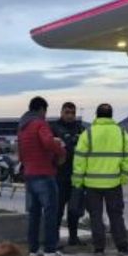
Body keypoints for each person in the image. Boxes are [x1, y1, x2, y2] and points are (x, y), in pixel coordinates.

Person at [73, 103, 128, 256]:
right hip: (114, 183)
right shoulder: (121, 133)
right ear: (111, 115)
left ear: (97, 115)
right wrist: (124, 177)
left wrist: (78, 181)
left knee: (95, 217)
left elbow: (80, 160)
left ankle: (99, 248)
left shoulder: (88, 133)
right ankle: (122, 247)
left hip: (92, 184)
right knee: (116, 215)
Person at [18, 96, 68, 256]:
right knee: (50, 213)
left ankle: (33, 250)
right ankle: (50, 249)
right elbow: (47, 142)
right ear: (41, 110)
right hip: (44, 174)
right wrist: (61, 151)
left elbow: (21, 151)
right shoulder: (40, 123)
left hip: (29, 175)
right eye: (45, 112)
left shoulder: (22, 127)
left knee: (34, 214)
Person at [52, 102, 86, 247]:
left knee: (74, 210)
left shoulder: (80, 128)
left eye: (72, 112)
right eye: (67, 112)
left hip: (76, 176)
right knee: (57, 210)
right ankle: (55, 239)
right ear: (61, 112)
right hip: (59, 176)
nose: (70, 115)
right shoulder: (53, 128)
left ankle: (74, 237)